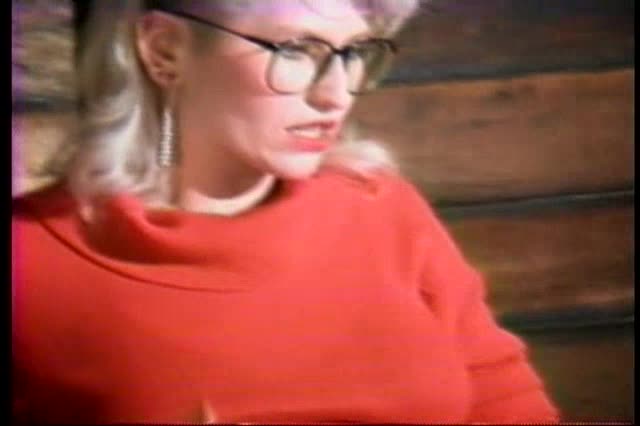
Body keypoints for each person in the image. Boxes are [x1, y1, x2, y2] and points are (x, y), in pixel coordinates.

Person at [12, 0, 561, 424]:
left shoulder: (385, 209)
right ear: (165, 50)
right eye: (297, 51)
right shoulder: (31, 255)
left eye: (354, 53)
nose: (337, 94)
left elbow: (508, 403)